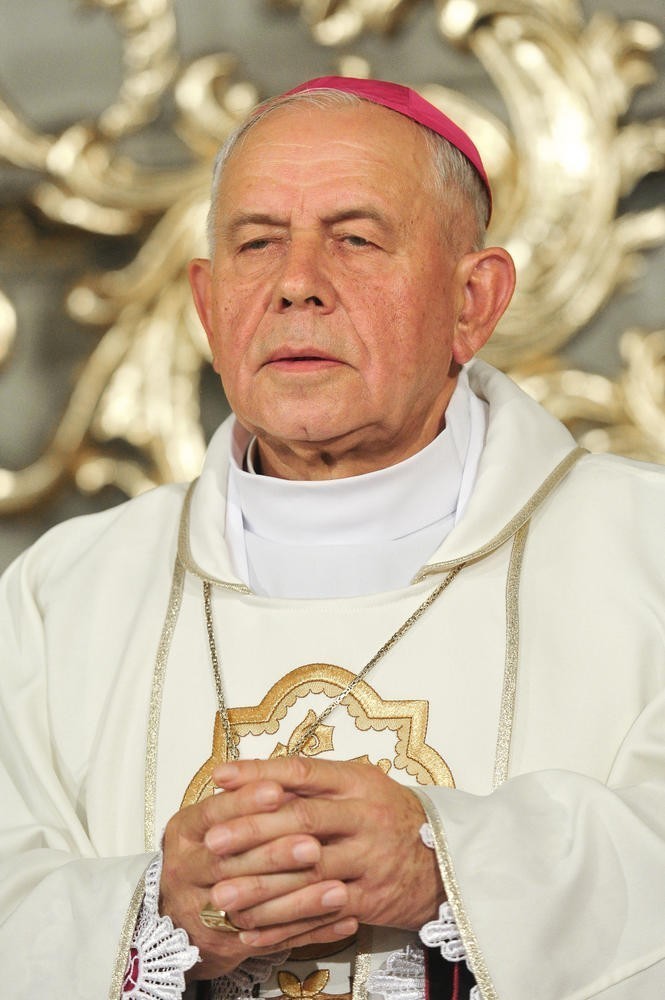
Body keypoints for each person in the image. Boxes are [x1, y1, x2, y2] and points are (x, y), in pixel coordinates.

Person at [0, 75, 664, 1000]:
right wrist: (153, 914)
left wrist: (449, 867)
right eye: (256, 244)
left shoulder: (643, 552)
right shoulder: (63, 593)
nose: (296, 285)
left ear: (473, 301)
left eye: (354, 239)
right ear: (207, 304)